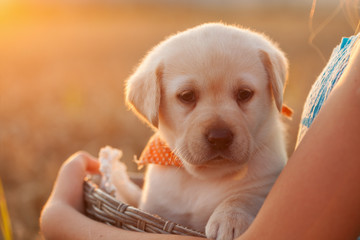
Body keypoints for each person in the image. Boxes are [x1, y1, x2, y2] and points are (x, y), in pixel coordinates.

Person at [40, 15, 360, 240]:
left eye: (243, 95)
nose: (219, 130)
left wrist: (240, 205)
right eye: (188, 96)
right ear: (153, 103)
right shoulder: (161, 171)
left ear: (273, 88)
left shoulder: (268, 161)